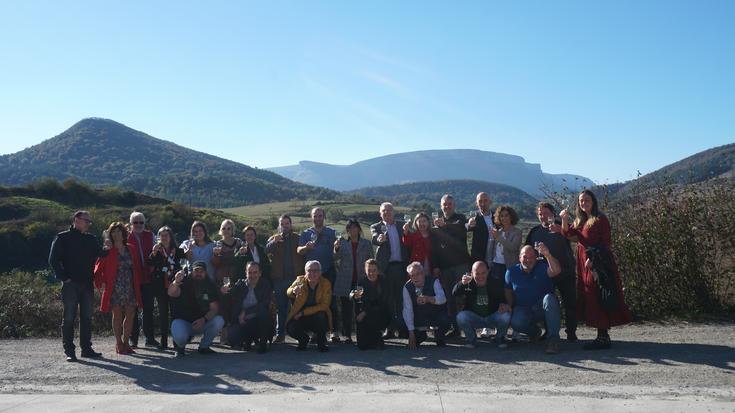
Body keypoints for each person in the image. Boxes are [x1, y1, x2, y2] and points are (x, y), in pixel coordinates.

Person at [560, 189, 632, 350]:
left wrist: (593, 260)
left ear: (593, 202)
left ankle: (603, 336)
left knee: (598, 295)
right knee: (589, 295)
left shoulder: (600, 219)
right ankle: (601, 335)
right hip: (584, 262)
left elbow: (606, 243)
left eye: (586, 200)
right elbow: (567, 233)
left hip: (597, 263)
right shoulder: (582, 219)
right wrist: (564, 219)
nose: (583, 203)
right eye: (581, 201)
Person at [49, 210, 109, 362]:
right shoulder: (62, 237)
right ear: (76, 220)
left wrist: (108, 247)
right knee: (69, 318)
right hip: (70, 284)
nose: (89, 223)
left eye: (89, 221)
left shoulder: (91, 239)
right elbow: (53, 260)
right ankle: (69, 351)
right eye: (86, 220)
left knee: (87, 317)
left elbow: (100, 254)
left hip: (87, 283)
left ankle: (86, 349)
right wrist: (64, 277)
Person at [525, 202, 578, 342]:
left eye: (546, 213)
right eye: (540, 214)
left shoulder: (561, 225)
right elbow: (527, 252)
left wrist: (561, 230)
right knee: (547, 304)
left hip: (566, 272)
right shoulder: (534, 231)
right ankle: (550, 331)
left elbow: (577, 238)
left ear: (553, 214)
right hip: (545, 274)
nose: (543, 216)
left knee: (570, 303)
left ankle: (571, 332)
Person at [93, 222, 144, 355]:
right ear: (110, 234)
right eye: (113, 232)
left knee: (131, 314)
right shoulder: (108, 250)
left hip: (130, 286)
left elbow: (137, 267)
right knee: (117, 315)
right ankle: (119, 343)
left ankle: (126, 343)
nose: (116, 234)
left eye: (119, 231)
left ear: (123, 233)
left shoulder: (131, 248)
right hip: (114, 287)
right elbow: (98, 268)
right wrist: (102, 283)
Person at [504, 245, 563, 354]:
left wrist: (548, 255)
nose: (528, 260)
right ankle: (534, 333)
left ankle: (553, 340)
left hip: (543, 309)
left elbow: (557, 270)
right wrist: (509, 305)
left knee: (550, 299)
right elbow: (508, 291)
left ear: (536, 258)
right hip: (524, 309)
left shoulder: (543, 267)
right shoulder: (511, 272)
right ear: (519, 258)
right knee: (516, 321)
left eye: (531, 257)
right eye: (525, 257)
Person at [430, 194, 470, 337]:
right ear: (441, 206)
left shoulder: (461, 218)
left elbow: (460, 228)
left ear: (454, 205)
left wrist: (444, 225)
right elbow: (434, 248)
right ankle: (456, 329)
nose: (447, 206)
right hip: (445, 267)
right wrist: (435, 266)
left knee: (464, 296)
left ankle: (468, 327)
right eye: (444, 204)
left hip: (461, 265)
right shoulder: (436, 224)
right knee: (450, 298)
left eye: (449, 204)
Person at [168, 261, 225, 357]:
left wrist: (204, 319)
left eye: (201, 271)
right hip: (183, 322)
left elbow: (214, 309)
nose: (199, 273)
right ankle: (180, 347)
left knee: (219, 320)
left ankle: (204, 347)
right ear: (191, 271)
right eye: (196, 271)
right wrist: (176, 282)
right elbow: (171, 293)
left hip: (202, 323)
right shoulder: (183, 281)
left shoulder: (210, 285)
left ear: (205, 272)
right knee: (179, 332)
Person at [297, 207, 337, 340]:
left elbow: (338, 247)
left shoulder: (331, 232)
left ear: (324, 217)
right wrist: (305, 247)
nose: (317, 218)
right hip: (312, 275)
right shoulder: (306, 233)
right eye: (315, 216)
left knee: (331, 303)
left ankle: (333, 331)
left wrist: (337, 246)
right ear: (311, 217)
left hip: (328, 271)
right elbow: (299, 251)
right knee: (313, 302)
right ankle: (317, 332)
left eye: (320, 216)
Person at [370, 202, 409, 339]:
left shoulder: (402, 225)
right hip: (385, 269)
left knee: (401, 299)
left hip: (401, 267)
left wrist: (408, 232)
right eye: (383, 211)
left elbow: (410, 237)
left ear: (394, 212)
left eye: (388, 210)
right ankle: (390, 329)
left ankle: (402, 328)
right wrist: (379, 239)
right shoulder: (376, 227)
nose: (386, 213)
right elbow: (375, 238)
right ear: (380, 214)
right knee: (388, 300)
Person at [333, 218, 374, 343]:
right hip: (346, 281)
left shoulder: (366, 244)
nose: (353, 230)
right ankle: (347, 335)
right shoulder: (342, 243)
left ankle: (361, 333)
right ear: (347, 231)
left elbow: (372, 260)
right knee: (346, 309)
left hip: (360, 281)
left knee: (360, 308)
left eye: (355, 227)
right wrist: (336, 249)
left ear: (359, 229)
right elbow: (334, 258)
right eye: (350, 228)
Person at [453, 261, 511, 349]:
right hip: (475, 318)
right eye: (477, 273)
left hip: (492, 317)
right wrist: (461, 283)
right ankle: (471, 340)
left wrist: (505, 305)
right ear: (472, 273)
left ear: (488, 271)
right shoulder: (468, 283)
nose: (480, 276)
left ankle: (500, 338)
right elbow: (454, 293)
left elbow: (504, 299)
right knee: (461, 316)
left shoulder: (496, 282)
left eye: (483, 273)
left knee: (506, 315)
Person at [266, 214, 305, 343]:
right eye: (282, 224)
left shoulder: (298, 238)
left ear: (291, 224)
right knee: (281, 308)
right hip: (279, 280)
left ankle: (299, 334)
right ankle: (280, 334)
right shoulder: (273, 239)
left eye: (287, 223)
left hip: (295, 279)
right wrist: (274, 241)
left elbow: (304, 254)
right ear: (279, 226)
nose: (284, 226)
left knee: (297, 307)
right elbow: (266, 250)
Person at [221, 262, 273, 353]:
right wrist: (223, 291)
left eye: (255, 272)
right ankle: (247, 341)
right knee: (232, 336)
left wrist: (245, 312)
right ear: (246, 273)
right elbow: (230, 293)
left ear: (260, 273)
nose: (252, 275)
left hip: (259, 321)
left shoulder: (265, 284)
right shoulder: (240, 284)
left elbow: (264, 303)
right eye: (250, 272)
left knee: (263, 312)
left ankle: (263, 343)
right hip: (244, 321)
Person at [148, 226, 186, 350]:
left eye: (166, 235)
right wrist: (153, 253)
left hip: (174, 286)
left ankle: (176, 341)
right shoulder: (156, 251)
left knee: (175, 314)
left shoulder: (178, 251)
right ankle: (164, 342)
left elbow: (185, 265)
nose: (164, 237)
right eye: (161, 235)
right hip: (160, 287)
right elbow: (149, 264)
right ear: (158, 237)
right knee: (163, 314)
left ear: (170, 236)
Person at [286, 260, 333, 352]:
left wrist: (303, 313)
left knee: (321, 316)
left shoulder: (326, 283)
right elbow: (288, 292)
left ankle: (321, 342)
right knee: (291, 328)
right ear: (305, 272)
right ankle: (303, 340)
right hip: (300, 315)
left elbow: (324, 305)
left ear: (320, 272)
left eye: (315, 270)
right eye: (309, 270)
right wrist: (293, 291)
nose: (312, 273)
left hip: (315, 315)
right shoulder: (300, 280)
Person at [127, 211, 158, 348]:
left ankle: (149, 338)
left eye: (141, 222)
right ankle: (132, 338)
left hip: (148, 277)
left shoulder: (151, 235)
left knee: (148, 309)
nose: (138, 224)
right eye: (135, 222)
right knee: (132, 308)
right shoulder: (125, 237)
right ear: (131, 224)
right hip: (132, 278)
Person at [401, 262, 449, 349]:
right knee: (401, 323)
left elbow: (443, 299)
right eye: (412, 275)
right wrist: (411, 332)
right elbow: (408, 309)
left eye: (418, 274)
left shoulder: (434, 281)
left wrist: (429, 299)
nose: (415, 277)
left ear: (423, 273)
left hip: (434, 314)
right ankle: (420, 336)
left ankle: (439, 336)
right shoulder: (407, 287)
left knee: (445, 320)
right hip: (418, 317)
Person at [352, 259, 391, 350]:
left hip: (380, 313)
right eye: (369, 270)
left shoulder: (383, 281)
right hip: (365, 314)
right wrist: (354, 298)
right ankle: (373, 338)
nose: (371, 273)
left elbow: (382, 303)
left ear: (378, 271)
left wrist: (364, 312)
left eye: (374, 270)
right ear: (365, 271)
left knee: (377, 314)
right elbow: (358, 301)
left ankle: (377, 336)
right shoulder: (361, 282)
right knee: (362, 346)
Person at [486, 205, 522, 299]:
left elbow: (513, 247)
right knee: (497, 292)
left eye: (506, 215)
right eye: (501, 215)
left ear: (511, 217)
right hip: (496, 266)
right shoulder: (498, 231)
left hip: (509, 267)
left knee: (509, 292)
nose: (504, 218)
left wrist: (498, 237)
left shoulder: (517, 232)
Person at [211, 219, 243, 285]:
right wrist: (215, 255)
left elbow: (242, 259)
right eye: (224, 228)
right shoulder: (218, 244)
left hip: (237, 276)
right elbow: (215, 264)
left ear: (232, 230)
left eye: (229, 228)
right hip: (222, 277)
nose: (226, 231)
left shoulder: (238, 242)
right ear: (221, 230)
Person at [466, 192, 494, 265]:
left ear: (490, 202)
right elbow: (465, 227)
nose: (483, 204)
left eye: (485, 201)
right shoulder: (475, 217)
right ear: (476, 203)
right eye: (480, 201)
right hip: (479, 259)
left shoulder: (496, 216)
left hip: (495, 258)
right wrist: (469, 225)